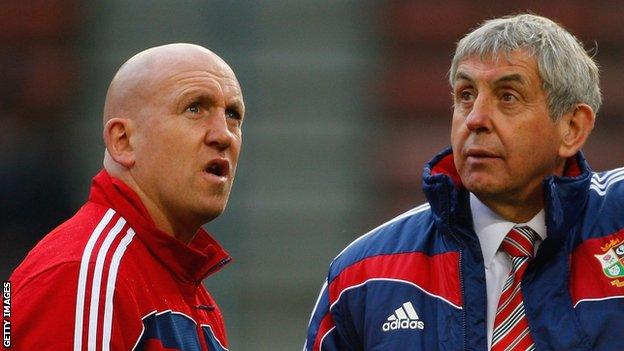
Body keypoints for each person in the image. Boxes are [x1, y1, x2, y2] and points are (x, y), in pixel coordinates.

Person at [305, 14, 624, 350]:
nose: (475, 119)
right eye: (466, 95)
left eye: (508, 97)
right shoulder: (366, 274)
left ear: (572, 128)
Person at [9, 43, 244, 350]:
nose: (223, 134)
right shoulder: (85, 274)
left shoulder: (196, 299)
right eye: (195, 108)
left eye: (232, 114)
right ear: (123, 141)